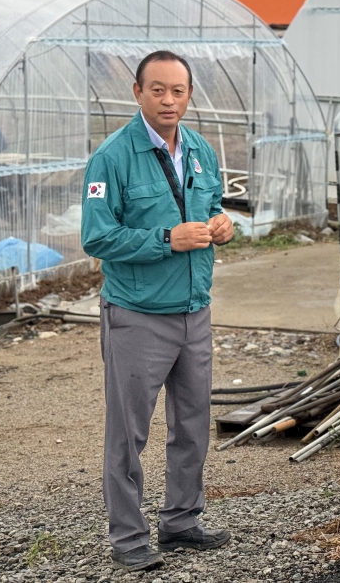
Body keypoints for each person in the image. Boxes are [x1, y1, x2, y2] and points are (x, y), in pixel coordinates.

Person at [81, 51, 234, 572]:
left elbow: (211, 207)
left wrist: (221, 224)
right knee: (129, 434)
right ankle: (128, 538)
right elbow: (97, 236)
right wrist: (165, 240)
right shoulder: (112, 157)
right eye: (159, 90)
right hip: (138, 315)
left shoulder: (199, 150)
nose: (170, 100)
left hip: (195, 310)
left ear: (189, 94)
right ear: (138, 92)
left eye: (179, 91)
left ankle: (182, 519)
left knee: (192, 424)